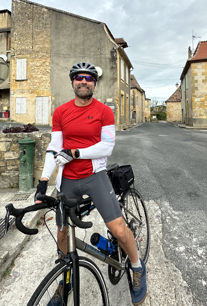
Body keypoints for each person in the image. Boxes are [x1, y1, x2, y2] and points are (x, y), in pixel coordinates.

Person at [34, 62, 147, 306]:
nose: (83, 81)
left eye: (88, 78)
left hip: (95, 177)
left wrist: (75, 152)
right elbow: (54, 147)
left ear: (94, 83)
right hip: (68, 181)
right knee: (62, 234)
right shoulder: (61, 112)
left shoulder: (104, 111)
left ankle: (137, 268)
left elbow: (106, 146)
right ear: (72, 81)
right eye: (79, 77)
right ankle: (64, 283)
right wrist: (44, 180)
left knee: (118, 229)